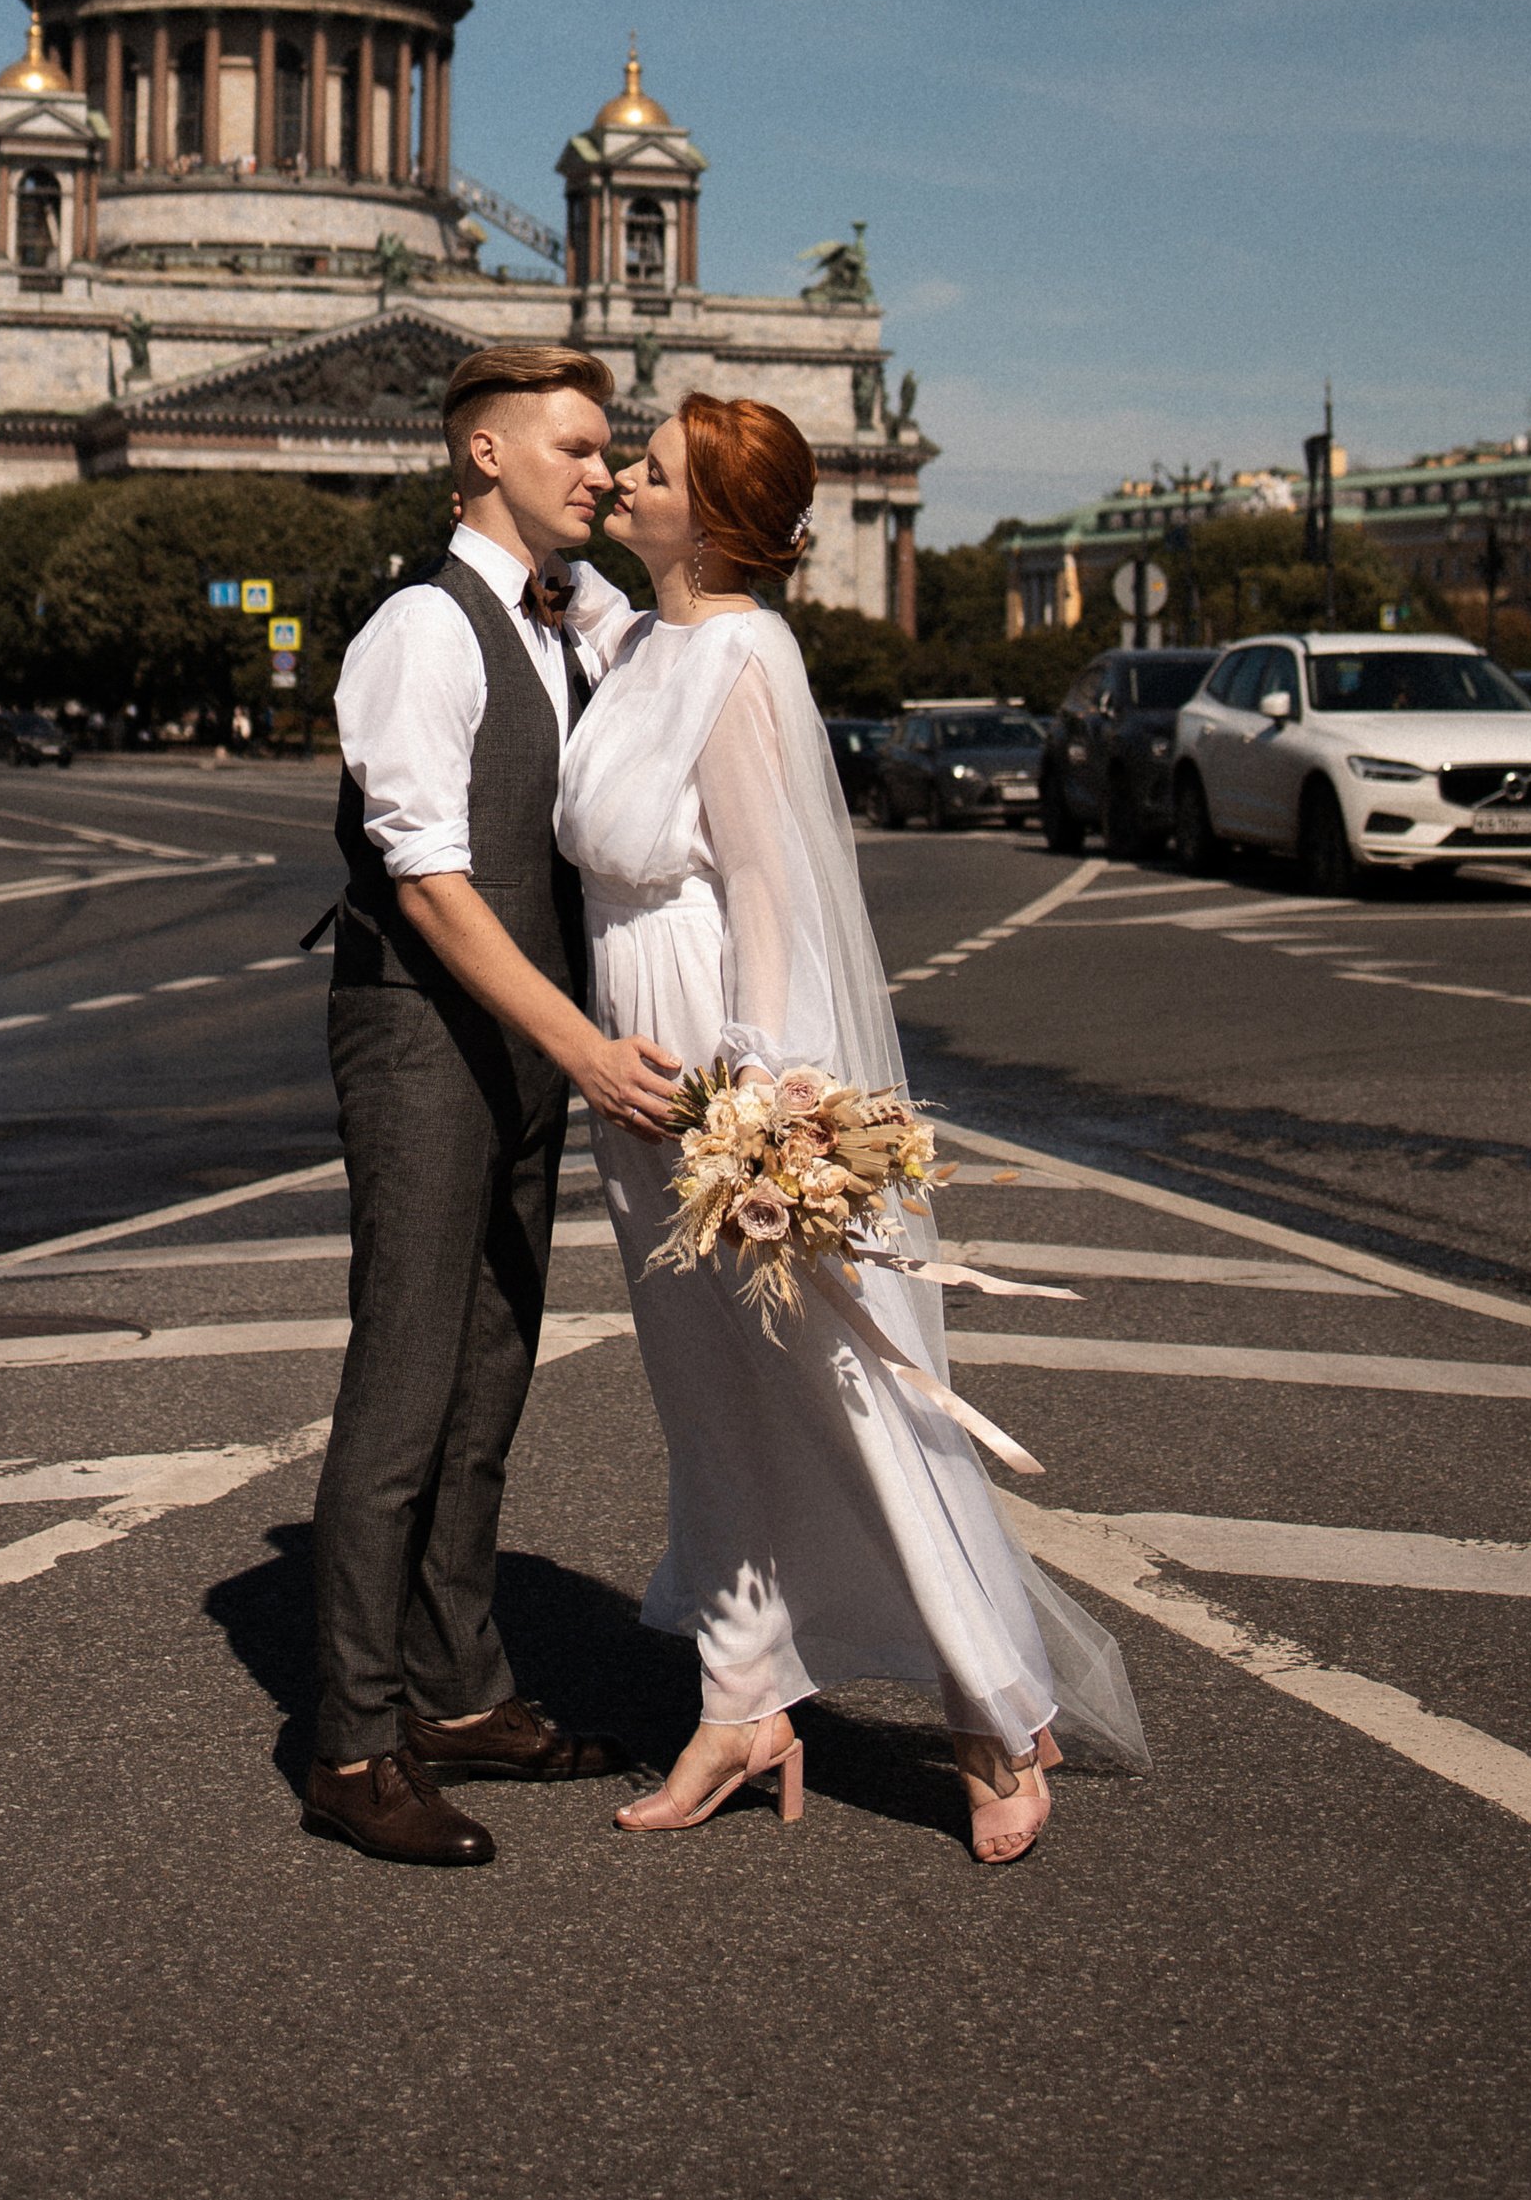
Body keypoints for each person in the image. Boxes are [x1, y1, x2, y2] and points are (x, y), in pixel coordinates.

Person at [555, 394, 1146, 1861]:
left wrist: (759, 1101)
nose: (623, 479)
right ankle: (742, 1703)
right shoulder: (640, 642)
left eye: (651, 471)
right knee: (704, 1394)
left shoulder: (742, 655)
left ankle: (991, 1704)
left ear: (713, 521)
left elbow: (772, 892)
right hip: (630, 1059)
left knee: (848, 1386)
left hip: (713, 1058)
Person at [302, 341, 684, 1871]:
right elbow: (424, 876)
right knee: (405, 1385)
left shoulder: (557, 617)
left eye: (610, 447)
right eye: (576, 446)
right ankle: (351, 1736)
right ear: (483, 455)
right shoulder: (421, 627)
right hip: (424, 1034)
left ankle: (458, 1690)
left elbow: (666, 636)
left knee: (489, 1377)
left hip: (519, 1040)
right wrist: (588, 1049)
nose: (603, 468)